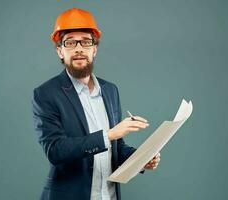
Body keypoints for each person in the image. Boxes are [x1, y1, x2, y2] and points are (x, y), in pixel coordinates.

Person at [32, 7, 161, 200]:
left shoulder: (110, 90)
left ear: (95, 49)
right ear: (60, 51)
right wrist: (108, 135)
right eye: (70, 43)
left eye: (85, 42)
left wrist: (141, 159)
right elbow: (56, 151)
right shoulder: (46, 94)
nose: (78, 49)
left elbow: (116, 148)